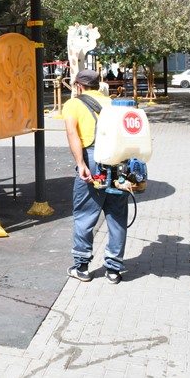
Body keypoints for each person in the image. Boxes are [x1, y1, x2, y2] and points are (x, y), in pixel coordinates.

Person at [63, 69, 128, 285]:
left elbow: (72, 133)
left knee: (85, 214)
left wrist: (81, 163)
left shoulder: (73, 104)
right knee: (117, 215)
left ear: (78, 86)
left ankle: (81, 267)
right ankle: (114, 269)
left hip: (92, 158)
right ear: (99, 85)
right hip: (117, 160)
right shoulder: (112, 104)